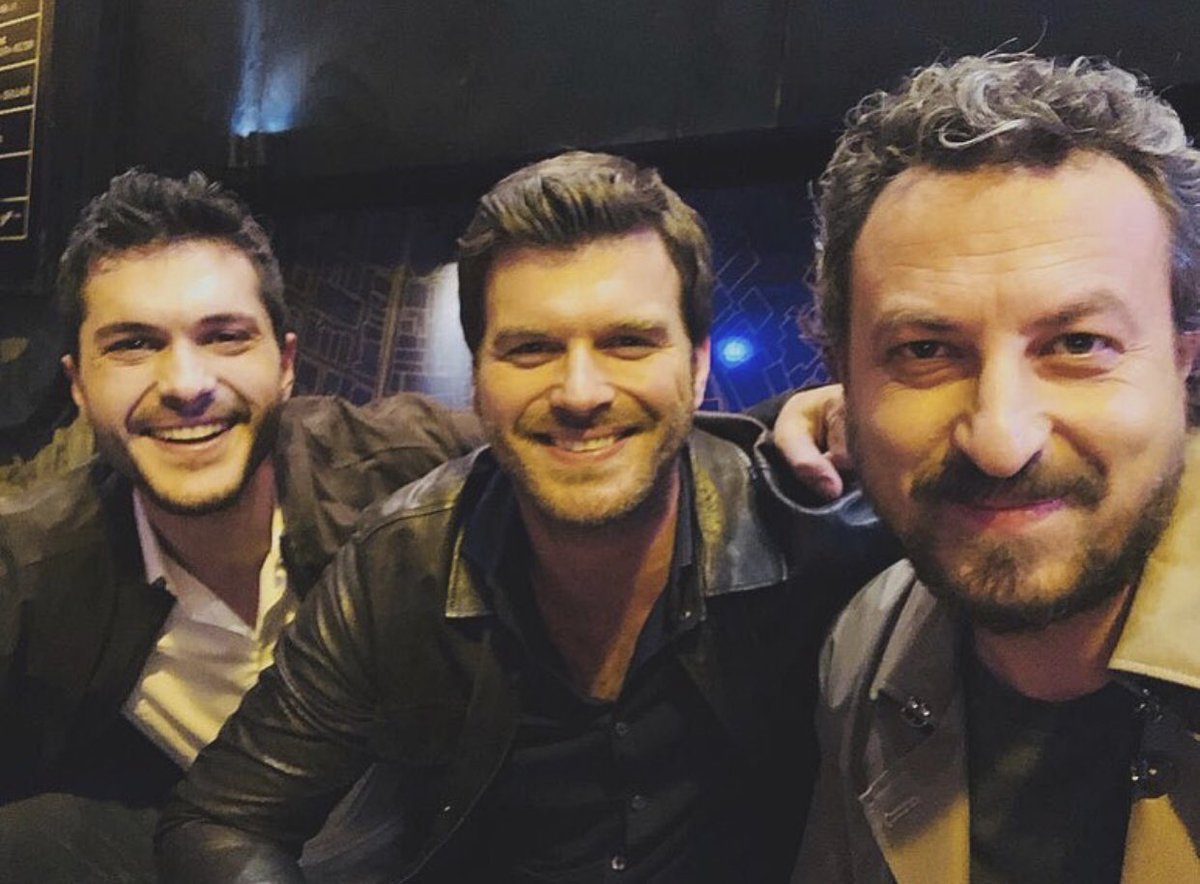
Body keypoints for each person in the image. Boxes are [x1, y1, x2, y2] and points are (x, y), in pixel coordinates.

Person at [156, 151, 898, 882]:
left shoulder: (820, 532)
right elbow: (220, 821)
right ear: (477, 378)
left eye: (628, 343)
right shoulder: (402, 562)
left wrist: (869, 420)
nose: (580, 392)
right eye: (532, 349)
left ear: (698, 365)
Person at [0, 169, 484, 882]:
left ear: (284, 364)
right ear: (78, 384)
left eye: (225, 337)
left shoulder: (409, 465)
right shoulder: (31, 568)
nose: (186, 385)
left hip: (423, 837)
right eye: (133, 345)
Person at [792, 53, 1200, 883]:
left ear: (1182, 364)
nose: (1000, 440)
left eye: (1078, 344)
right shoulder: (865, 649)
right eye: (924, 352)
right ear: (845, 385)